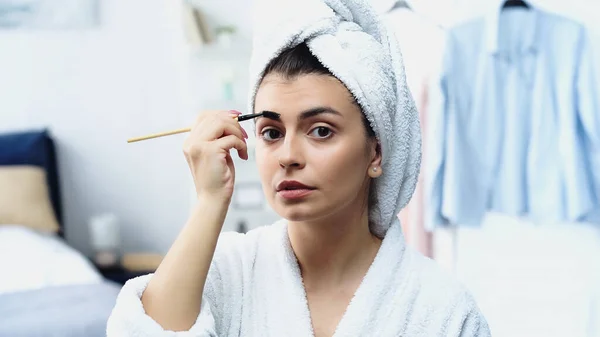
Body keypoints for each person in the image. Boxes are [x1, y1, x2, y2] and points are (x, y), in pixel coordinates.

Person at [107, 1, 491, 336]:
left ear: (376, 153)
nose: (287, 155)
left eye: (321, 130)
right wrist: (209, 202)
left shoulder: (443, 311)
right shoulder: (225, 270)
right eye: (271, 132)